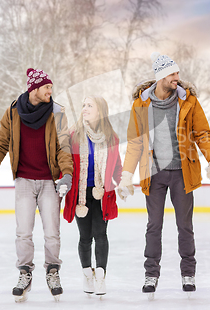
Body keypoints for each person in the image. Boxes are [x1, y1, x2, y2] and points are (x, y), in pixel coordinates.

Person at [115, 52, 210, 296]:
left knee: (184, 226)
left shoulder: (188, 101)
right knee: (154, 226)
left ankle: (188, 273)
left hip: (182, 174)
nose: (177, 77)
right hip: (153, 175)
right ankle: (151, 275)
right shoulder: (141, 105)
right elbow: (135, 143)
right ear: (161, 76)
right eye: (173, 73)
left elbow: (202, 134)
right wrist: (126, 176)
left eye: (177, 73)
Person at [0, 68, 73, 303]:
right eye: (47, 88)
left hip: (49, 181)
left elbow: (63, 146)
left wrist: (67, 173)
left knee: (52, 232)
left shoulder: (57, 113)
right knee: (23, 232)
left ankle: (53, 271)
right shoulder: (13, 113)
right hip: (24, 180)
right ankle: (25, 273)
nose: (50, 92)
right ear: (34, 89)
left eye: (51, 88)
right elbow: (2, 143)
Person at [63, 95, 122, 297]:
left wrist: (121, 183)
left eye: (90, 105)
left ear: (100, 111)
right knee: (85, 237)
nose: (85, 108)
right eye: (83, 105)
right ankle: (87, 273)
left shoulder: (111, 137)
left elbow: (117, 167)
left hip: (101, 194)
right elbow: (65, 163)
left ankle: (101, 277)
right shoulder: (73, 135)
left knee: (101, 234)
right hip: (79, 195)